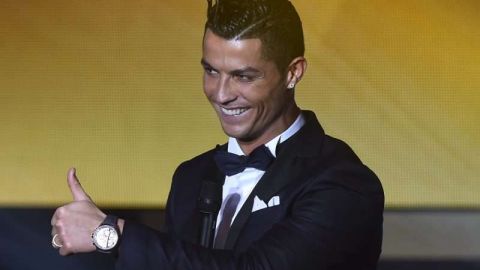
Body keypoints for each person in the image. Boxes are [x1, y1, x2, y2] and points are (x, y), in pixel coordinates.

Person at [51, 0, 384, 269]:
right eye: (211, 71)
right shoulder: (191, 177)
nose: (221, 94)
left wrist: (113, 234)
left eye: (243, 76)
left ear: (293, 73)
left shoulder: (343, 183)